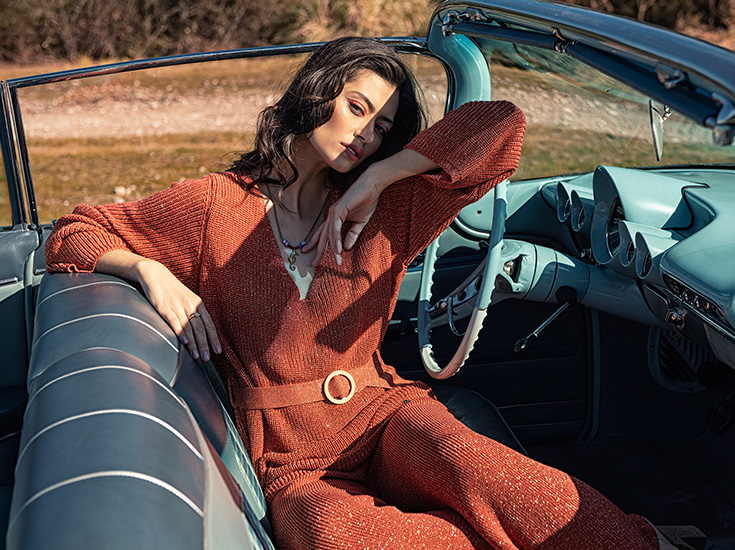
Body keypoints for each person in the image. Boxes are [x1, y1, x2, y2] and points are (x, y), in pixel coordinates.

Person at [46, 37, 666, 549]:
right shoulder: (213, 206)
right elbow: (72, 234)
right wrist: (149, 270)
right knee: (330, 534)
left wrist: (382, 176)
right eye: (357, 107)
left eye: (382, 127)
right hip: (292, 462)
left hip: (382, 415)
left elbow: (502, 127)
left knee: (499, 477)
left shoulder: (391, 206)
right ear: (316, 93)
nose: (365, 133)